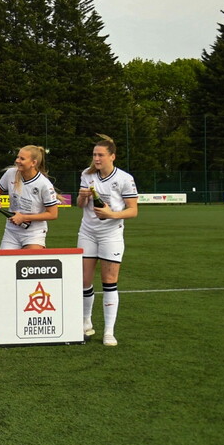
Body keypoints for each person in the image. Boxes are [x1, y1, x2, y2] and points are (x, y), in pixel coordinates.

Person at [76, 135, 138, 346]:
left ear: (112, 156)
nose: (96, 158)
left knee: (109, 281)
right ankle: (86, 323)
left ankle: (109, 331)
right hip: (87, 232)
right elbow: (79, 204)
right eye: (94, 155)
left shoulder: (124, 178)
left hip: (111, 234)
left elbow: (133, 211)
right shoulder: (86, 174)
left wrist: (111, 214)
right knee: (84, 280)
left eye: (100, 155)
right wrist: (83, 196)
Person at [0, 145, 59, 249]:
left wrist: (24, 217)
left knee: (30, 263)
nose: (17, 161)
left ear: (33, 163)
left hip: (34, 233)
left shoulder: (44, 184)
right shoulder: (10, 173)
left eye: (22, 158)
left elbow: (53, 214)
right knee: (5, 264)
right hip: (11, 232)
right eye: (17, 157)